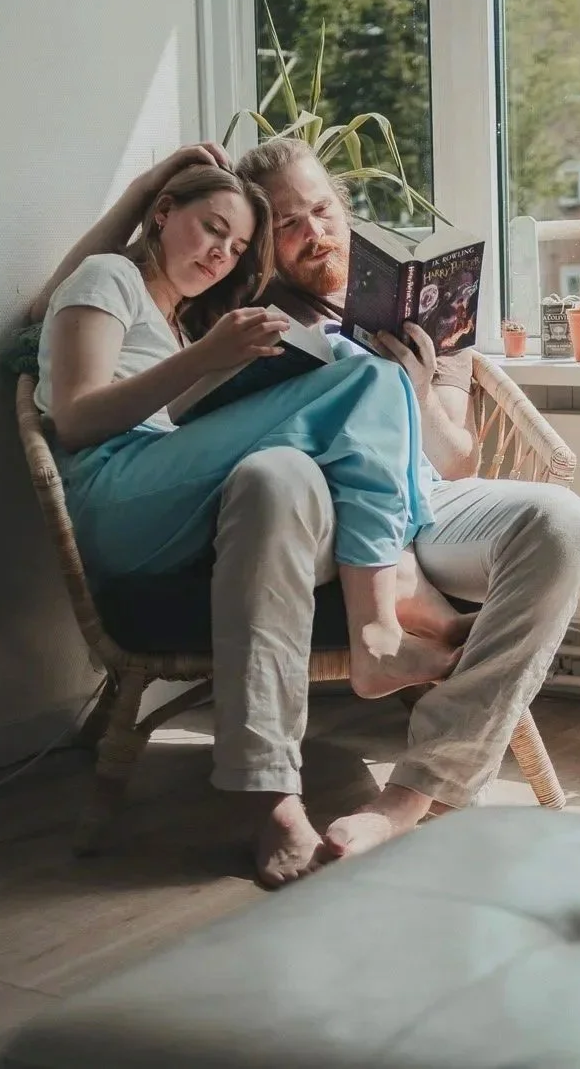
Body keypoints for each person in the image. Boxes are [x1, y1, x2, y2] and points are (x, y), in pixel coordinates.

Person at [225, 137, 580, 883]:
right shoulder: (245, 312)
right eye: (289, 225)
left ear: (345, 207)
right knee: (301, 470)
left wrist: (416, 382)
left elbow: (459, 455)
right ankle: (403, 599)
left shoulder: (425, 301)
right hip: (325, 510)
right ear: (261, 241)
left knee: (565, 524)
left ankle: (412, 791)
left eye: (323, 210)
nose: (316, 235)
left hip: (430, 498)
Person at [29, 154, 462, 707]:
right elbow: (74, 420)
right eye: (213, 228)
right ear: (162, 212)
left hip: (167, 509)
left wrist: (216, 365)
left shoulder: (180, 326)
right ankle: (380, 633)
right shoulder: (110, 275)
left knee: (360, 392)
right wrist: (141, 188)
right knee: (368, 377)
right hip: (112, 501)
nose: (221, 254)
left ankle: (394, 604)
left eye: (237, 248)